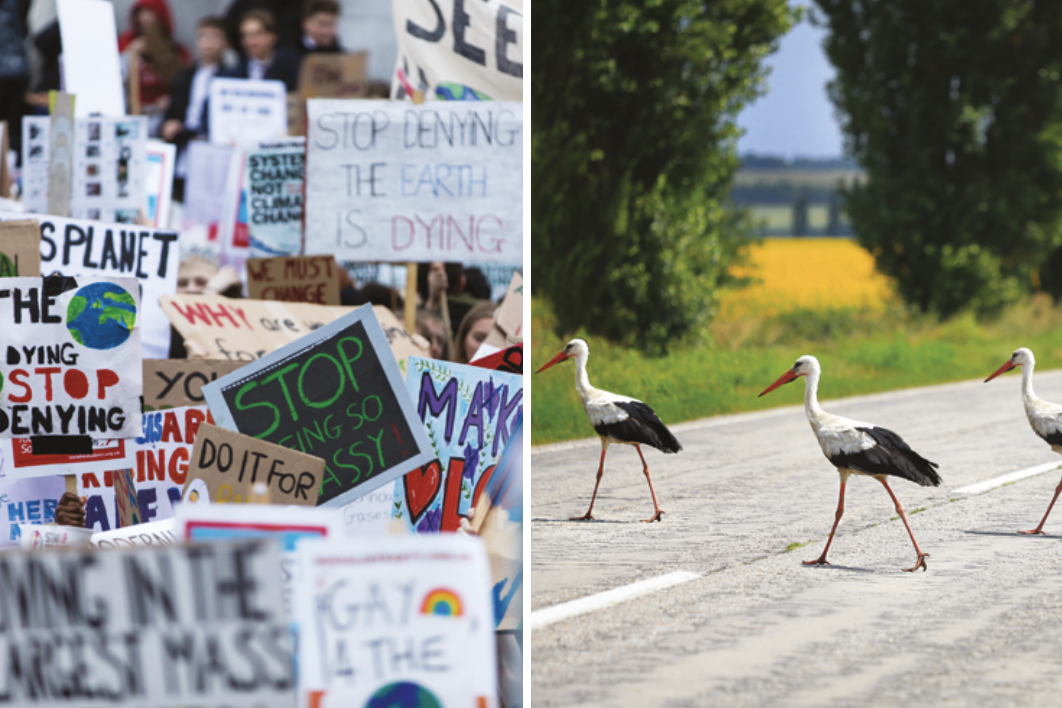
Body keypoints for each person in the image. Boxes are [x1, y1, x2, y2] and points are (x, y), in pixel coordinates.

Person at [162, 16, 229, 200]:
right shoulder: (185, 75)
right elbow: (174, 108)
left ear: (225, 42)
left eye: (214, 37)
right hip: (183, 145)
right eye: (203, 37)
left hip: (211, 147)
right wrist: (169, 123)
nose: (208, 43)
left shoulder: (230, 76)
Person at [118, 0, 191, 116]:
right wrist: (130, 54)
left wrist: (171, 99)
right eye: (141, 14)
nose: (144, 19)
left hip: (161, 113)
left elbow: (182, 82)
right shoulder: (125, 43)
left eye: (149, 13)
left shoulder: (176, 50)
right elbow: (114, 79)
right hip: (130, 110)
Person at [220, 9, 300, 92]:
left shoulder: (290, 66)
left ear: (272, 36)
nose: (249, 41)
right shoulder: (237, 70)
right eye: (244, 35)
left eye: (256, 34)